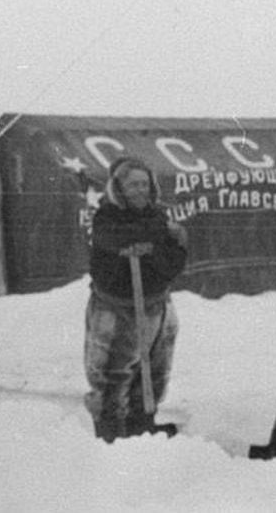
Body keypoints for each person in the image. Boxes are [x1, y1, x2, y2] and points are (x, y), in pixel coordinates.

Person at [85, 156, 188, 443]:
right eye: (132, 185)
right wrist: (155, 238)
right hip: (116, 310)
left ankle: (142, 430)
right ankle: (110, 439)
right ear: (118, 189)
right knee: (111, 378)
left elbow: (174, 263)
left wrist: (160, 246)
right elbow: (112, 238)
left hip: (156, 306)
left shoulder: (157, 216)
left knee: (151, 378)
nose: (140, 190)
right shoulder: (106, 216)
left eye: (144, 184)